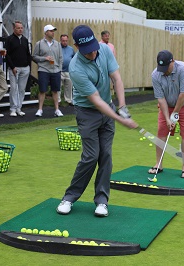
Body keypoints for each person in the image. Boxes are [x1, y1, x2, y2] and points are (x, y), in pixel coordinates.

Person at [56, 25, 138, 217]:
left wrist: (123, 106)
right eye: (87, 51)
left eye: (94, 47)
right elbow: (97, 102)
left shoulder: (104, 50)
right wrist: (120, 119)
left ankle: (102, 201)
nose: (93, 53)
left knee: (106, 156)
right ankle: (69, 197)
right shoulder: (76, 68)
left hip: (107, 109)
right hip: (87, 112)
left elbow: (116, 79)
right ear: (76, 47)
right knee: (91, 156)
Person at [150, 50, 184, 179]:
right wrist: (167, 118)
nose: (164, 71)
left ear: (172, 61)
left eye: (166, 67)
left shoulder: (183, 69)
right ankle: (158, 164)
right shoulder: (155, 75)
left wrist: (174, 114)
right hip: (167, 104)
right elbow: (161, 99)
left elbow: (183, 94)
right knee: (161, 132)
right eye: (162, 68)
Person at [32, 24, 63, 117]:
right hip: (44, 69)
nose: (53, 32)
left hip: (55, 70)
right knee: (42, 90)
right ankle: (40, 109)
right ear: (46, 32)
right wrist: (44, 58)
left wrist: (59, 68)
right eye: (51, 31)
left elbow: (60, 58)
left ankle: (57, 109)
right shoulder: (39, 44)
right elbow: (34, 57)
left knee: (55, 90)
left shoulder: (57, 44)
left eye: (53, 31)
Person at [5, 20, 32, 117]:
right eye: (18, 28)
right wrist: (12, 67)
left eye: (21, 28)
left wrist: (29, 66)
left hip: (25, 68)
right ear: (14, 28)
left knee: (21, 89)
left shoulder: (25, 40)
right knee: (13, 89)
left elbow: (28, 54)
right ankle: (13, 109)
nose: (20, 30)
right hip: (14, 68)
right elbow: (7, 55)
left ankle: (19, 108)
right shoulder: (9, 39)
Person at [58, 34, 75, 105]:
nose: (64, 42)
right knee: (58, 86)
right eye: (63, 41)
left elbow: (74, 58)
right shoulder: (57, 48)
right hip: (59, 70)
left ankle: (68, 100)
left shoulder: (71, 49)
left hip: (68, 71)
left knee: (69, 86)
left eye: (66, 41)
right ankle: (58, 100)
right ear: (60, 40)